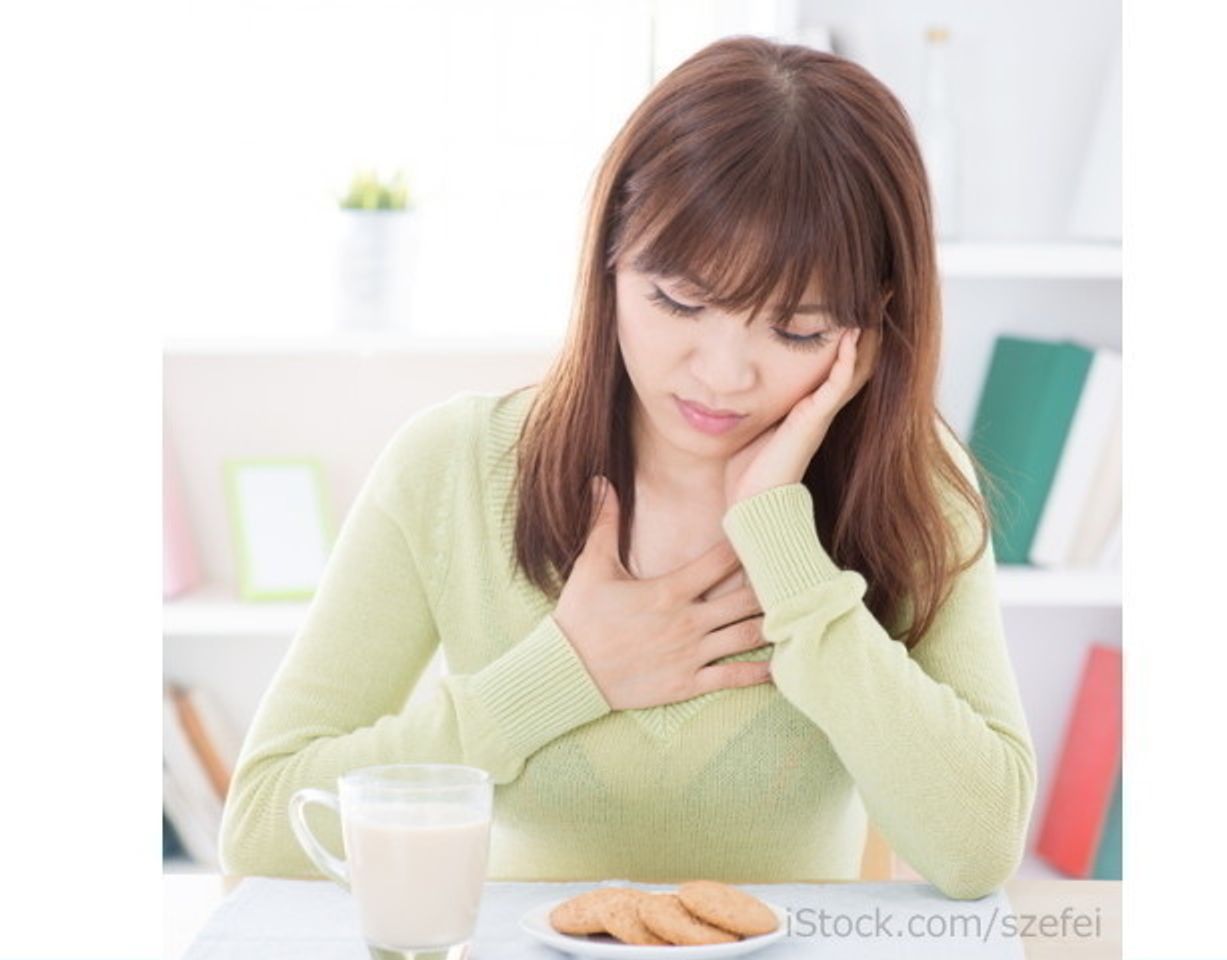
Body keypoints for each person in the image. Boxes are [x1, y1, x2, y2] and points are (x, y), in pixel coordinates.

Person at [219, 35, 1036, 900]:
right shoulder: (453, 467)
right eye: (678, 301)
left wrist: (784, 547)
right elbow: (267, 820)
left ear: (871, 326)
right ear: (608, 262)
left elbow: (977, 848)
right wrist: (562, 673)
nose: (723, 375)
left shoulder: (907, 481)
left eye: (797, 330)